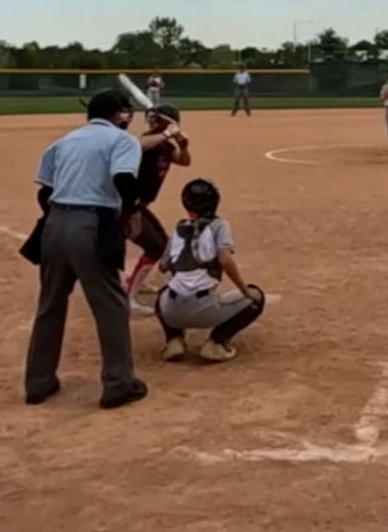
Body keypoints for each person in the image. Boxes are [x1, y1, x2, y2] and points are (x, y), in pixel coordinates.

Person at [20, 89, 183, 409]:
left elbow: (44, 193)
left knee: (50, 304)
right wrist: (132, 213)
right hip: (92, 224)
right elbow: (123, 179)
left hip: (54, 226)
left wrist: (58, 218)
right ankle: (118, 383)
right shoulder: (122, 141)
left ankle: (38, 382)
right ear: (119, 115)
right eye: (127, 112)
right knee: (112, 306)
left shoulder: (64, 141)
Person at [154, 177, 265, 364]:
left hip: (172, 310)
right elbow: (225, 260)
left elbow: (163, 266)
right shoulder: (219, 225)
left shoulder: (179, 229)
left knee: (162, 294)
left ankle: (174, 340)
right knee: (256, 297)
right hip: (204, 306)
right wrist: (244, 290)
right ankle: (217, 343)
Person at [123, 104, 191, 315]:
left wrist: (183, 145)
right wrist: (167, 133)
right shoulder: (147, 141)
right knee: (155, 246)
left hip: (138, 206)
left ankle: (136, 281)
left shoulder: (166, 147)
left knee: (160, 243)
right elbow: (138, 146)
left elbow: (185, 161)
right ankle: (128, 300)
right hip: (125, 205)